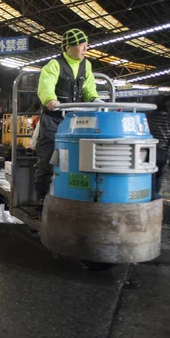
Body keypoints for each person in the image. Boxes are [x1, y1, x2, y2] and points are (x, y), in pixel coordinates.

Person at [34, 28, 104, 205]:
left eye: (86, 45)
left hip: (75, 120)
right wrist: (50, 99)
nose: (84, 49)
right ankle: (41, 201)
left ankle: (76, 199)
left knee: (81, 159)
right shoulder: (54, 64)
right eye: (81, 46)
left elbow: (88, 88)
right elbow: (45, 84)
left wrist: (95, 99)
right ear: (67, 48)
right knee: (47, 159)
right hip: (53, 119)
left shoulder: (86, 65)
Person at [146, 97, 170, 200]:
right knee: (159, 177)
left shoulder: (148, 119)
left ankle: (150, 196)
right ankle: (155, 197)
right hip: (163, 153)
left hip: (148, 152)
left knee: (149, 175)